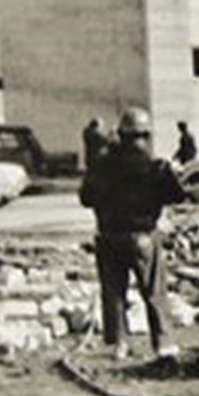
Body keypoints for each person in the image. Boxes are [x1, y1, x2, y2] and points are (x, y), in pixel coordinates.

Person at [78, 108, 186, 363]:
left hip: (108, 237)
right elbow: (177, 195)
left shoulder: (102, 164)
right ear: (145, 136)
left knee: (114, 293)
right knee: (154, 292)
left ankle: (119, 345)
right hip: (142, 237)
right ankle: (163, 343)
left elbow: (86, 198)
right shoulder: (153, 167)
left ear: (121, 134)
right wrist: (170, 173)